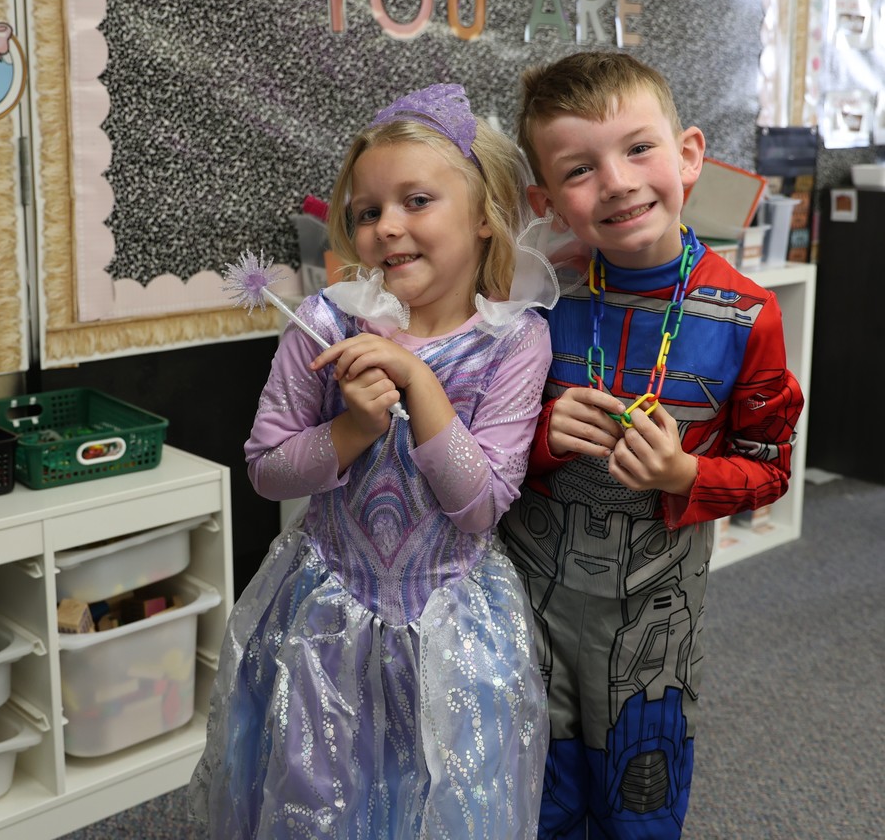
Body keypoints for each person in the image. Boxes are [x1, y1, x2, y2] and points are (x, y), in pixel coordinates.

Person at [189, 83, 556, 839]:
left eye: (416, 201)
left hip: (453, 627)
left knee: (444, 795)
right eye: (366, 211)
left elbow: (481, 505)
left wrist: (420, 381)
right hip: (327, 619)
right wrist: (354, 428)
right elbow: (266, 468)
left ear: (484, 214)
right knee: (321, 794)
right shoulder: (324, 323)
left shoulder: (515, 341)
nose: (386, 226)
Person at [498, 51, 805, 840]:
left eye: (638, 148)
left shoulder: (747, 315)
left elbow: (770, 470)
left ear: (689, 154)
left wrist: (686, 472)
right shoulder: (533, 299)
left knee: (641, 794)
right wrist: (538, 438)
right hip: (529, 603)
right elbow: (479, 444)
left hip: (653, 623)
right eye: (580, 168)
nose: (617, 182)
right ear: (546, 201)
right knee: (532, 791)